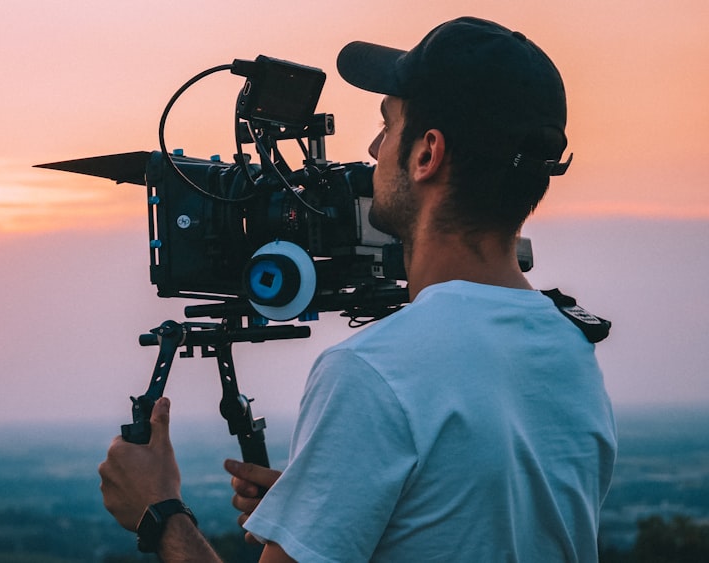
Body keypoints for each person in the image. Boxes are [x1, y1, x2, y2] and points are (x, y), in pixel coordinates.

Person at [99, 16, 617, 562]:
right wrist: (329, 507)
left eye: (388, 124)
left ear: (426, 154)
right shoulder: (570, 348)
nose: (373, 148)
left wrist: (159, 514)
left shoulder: (375, 372)